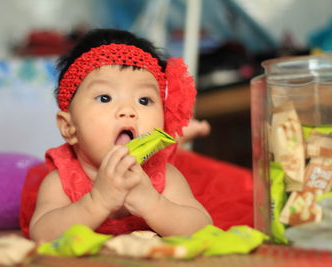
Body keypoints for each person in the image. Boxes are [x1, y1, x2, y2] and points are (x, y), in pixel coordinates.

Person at [21, 28, 213, 242]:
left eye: (144, 100)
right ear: (69, 127)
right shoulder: (62, 180)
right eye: (105, 98)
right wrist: (97, 201)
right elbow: (42, 234)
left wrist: (154, 204)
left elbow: (203, 227)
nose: (128, 110)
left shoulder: (163, 177)